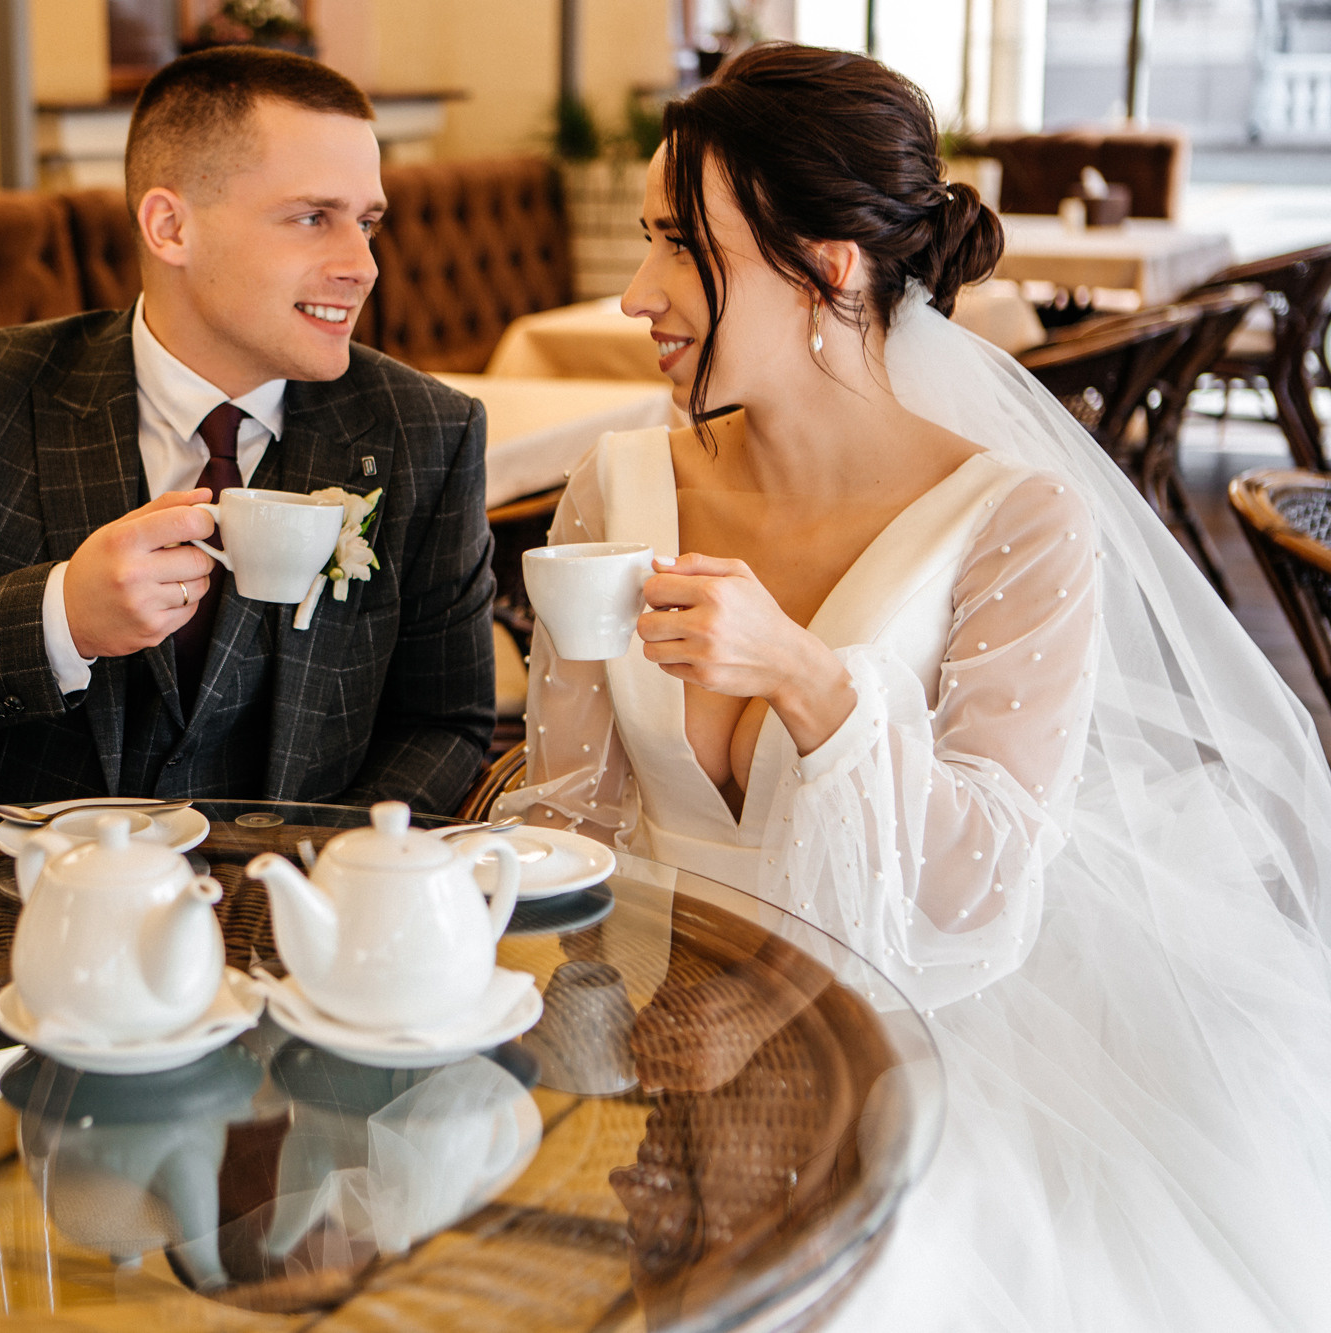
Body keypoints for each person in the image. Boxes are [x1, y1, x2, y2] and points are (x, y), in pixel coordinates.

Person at [498, 42, 1331, 1331]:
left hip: (919, 1036)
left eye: (678, 245)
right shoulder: (617, 492)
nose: (632, 293)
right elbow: (571, 819)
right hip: (654, 1035)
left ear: (829, 267)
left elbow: (977, 884)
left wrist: (810, 680)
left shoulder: (1016, 524)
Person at [0, 48, 494, 815]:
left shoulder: (425, 431)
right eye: (312, 218)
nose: (363, 265)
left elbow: (444, 722)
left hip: (288, 887)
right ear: (170, 227)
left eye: (367, 222)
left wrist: (332, 861)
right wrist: (60, 619)